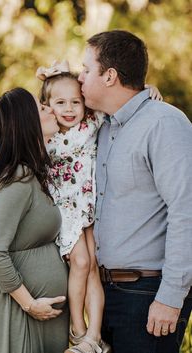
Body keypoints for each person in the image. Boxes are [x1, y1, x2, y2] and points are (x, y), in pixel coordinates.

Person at [78, 29, 192, 353]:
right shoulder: (102, 127)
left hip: (148, 296)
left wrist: (170, 297)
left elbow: (187, 210)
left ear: (110, 75)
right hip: (105, 295)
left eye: (87, 69)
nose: (80, 76)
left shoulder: (164, 124)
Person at [36, 61, 162, 353]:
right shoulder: (45, 137)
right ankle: (78, 329)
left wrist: (146, 88)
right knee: (80, 263)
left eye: (75, 102)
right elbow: (21, 112)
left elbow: (118, 96)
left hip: (91, 209)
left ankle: (94, 335)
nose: (68, 108)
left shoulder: (91, 124)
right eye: (59, 103)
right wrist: (46, 76)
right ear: (46, 105)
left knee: (93, 266)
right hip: (66, 213)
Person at [0, 87, 69, 353]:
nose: (51, 109)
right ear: (27, 122)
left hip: (29, 310)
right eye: (42, 107)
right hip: (11, 309)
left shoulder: (36, 172)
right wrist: (30, 304)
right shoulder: (18, 177)